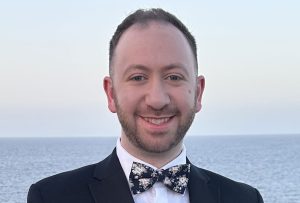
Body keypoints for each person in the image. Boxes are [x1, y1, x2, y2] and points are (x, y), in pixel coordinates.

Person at [27, 8, 264, 203]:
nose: (157, 100)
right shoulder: (51, 197)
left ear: (198, 92)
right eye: (138, 77)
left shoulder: (244, 199)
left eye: (174, 77)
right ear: (111, 94)